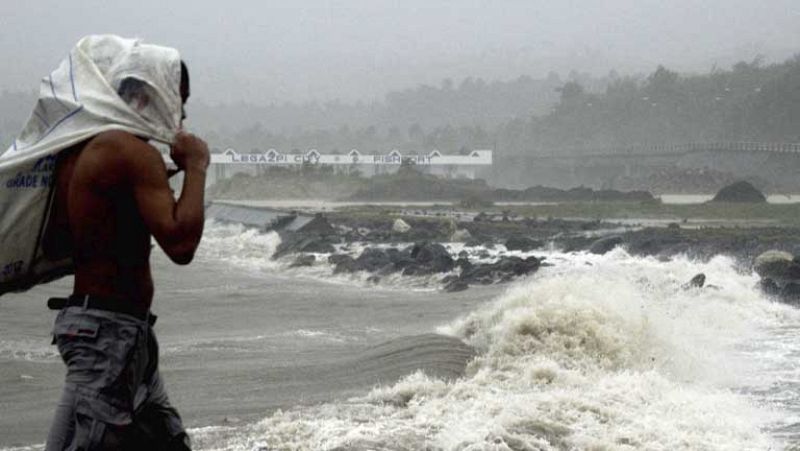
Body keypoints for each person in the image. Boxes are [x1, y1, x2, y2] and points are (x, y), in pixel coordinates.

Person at [43, 61, 209, 450]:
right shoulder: (130, 152)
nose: (182, 115)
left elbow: (56, 242)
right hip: (109, 337)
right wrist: (197, 166)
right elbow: (181, 245)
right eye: (178, 102)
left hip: (114, 332)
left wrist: (130, 199)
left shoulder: (82, 150)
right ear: (143, 97)